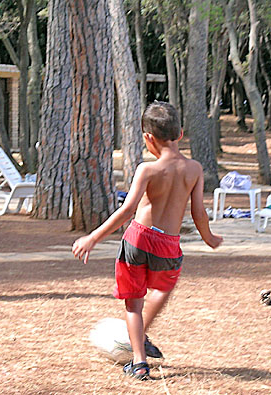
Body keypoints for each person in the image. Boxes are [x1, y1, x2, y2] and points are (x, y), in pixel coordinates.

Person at [72, 101, 223, 381]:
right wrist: (209, 238)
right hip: (169, 243)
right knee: (163, 287)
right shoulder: (194, 169)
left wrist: (93, 237)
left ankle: (139, 362)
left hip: (138, 239)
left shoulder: (147, 169)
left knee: (133, 304)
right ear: (180, 134)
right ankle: (141, 337)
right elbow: (198, 212)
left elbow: (127, 210)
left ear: (148, 138)